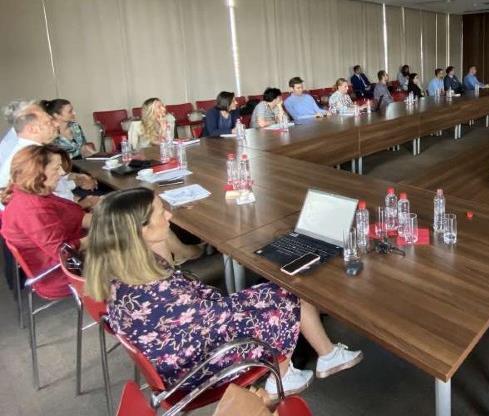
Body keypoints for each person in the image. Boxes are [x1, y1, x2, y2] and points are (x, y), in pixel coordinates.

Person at [84, 188, 363, 396]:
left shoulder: (126, 269)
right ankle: (288, 373)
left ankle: (323, 356)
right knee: (284, 297)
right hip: (193, 368)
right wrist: (265, 298)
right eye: (160, 213)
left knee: (277, 291)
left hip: (178, 350)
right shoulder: (156, 291)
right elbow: (218, 318)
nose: (169, 215)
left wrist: (260, 294)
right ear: (139, 231)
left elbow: (203, 310)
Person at [1, 145, 90, 298]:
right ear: (37, 173)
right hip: (63, 272)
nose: (61, 173)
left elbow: (76, 218)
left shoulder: (36, 194)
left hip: (69, 257)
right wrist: (101, 236)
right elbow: (63, 253)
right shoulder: (32, 209)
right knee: (130, 250)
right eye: (56, 169)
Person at [0, 104, 97, 204]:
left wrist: (77, 179)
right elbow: (49, 202)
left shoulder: (36, 149)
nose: (57, 124)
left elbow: (59, 185)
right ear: (32, 129)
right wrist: (84, 203)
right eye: (48, 122)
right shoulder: (27, 159)